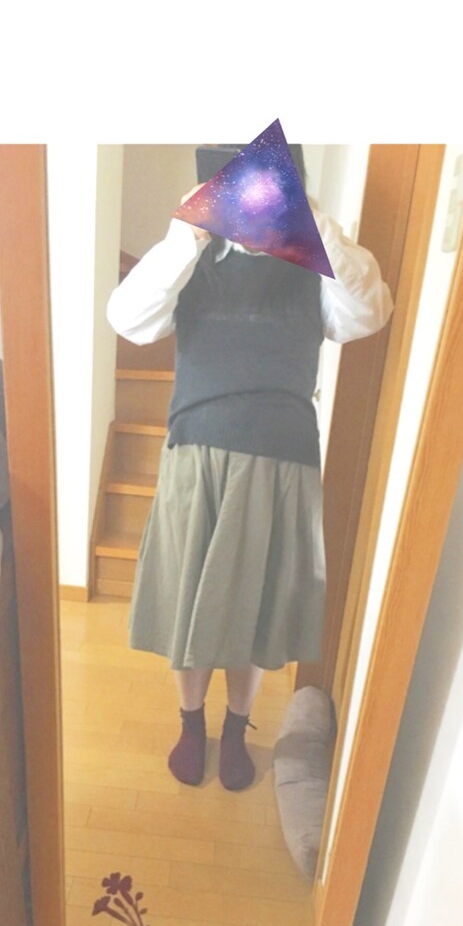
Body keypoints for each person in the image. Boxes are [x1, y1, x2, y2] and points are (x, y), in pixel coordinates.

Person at [106, 169, 393, 792]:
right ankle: (191, 724)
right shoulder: (191, 260)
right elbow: (128, 320)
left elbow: (368, 313)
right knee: (189, 604)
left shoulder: (315, 268)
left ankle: (237, 728)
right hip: (196, 455)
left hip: (281, 461)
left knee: (255, 612)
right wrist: (187, 232)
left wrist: (312, 224)